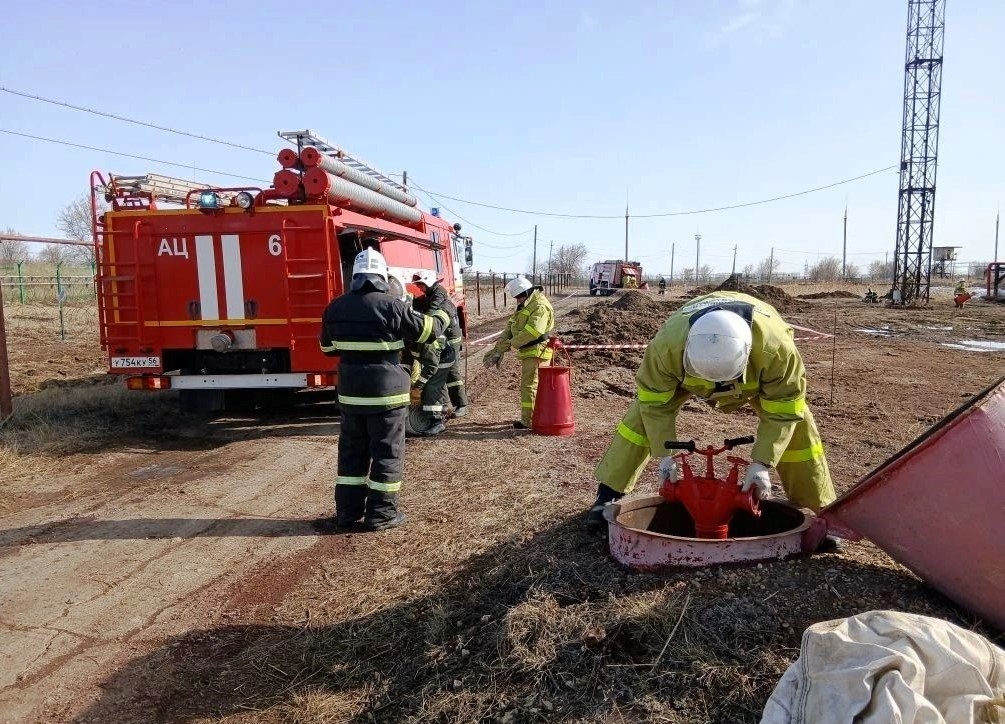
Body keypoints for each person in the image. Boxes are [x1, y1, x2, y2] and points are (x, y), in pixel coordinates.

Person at [586, 291, 838, 541]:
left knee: (799, 425)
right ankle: (609, 493)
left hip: (756, 377)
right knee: (640, 416)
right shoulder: (665, 348)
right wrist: (665, 456)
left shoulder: (778, 352)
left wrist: (762, 463)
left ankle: (818, 513)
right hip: (684, 373)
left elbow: (784, 409)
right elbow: (654, 404)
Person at [319, 248, 450, 531]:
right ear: (382, 275)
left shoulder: (335, 308)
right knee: (386, 453)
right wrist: (442, 309)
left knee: (351, 454)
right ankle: (381, 514)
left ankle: (348, 513)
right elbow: (429, 331)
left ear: (354, 276)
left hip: (351, 397)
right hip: (387, 397)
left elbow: (327, 349)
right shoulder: (392, 306)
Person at [484, 276, 555, 429]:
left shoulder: (540, 306)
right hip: (530, 351)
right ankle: (530, 418)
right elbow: (511, 326)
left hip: (538, 351)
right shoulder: (526, 305)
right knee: (528, 386)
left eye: (519, 296)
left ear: (527, 292)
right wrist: (500, 347)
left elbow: (533, 331)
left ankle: (529, 421)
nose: (518, 300)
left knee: (530, 386)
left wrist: (512, 343)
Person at [412, 270, 469, 416]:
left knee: (451, 371)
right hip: (442, 335)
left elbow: (431, 314)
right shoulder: (432, 294)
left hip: (450, 338)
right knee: (440, 372)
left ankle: (461, 404)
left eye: (421, 285)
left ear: (429, 282)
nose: (420, 288)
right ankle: (443, 404)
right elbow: (422, 302)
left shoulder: (439, 294)